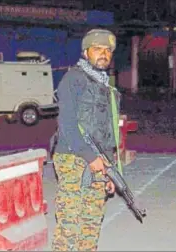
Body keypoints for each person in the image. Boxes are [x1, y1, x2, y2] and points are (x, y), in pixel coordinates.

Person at [50, 29, 121, 251]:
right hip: (72, 156)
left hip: (99, 160)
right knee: (70, 221)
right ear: (85, 52)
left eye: (108, 50)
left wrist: (111, 170)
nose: (104, 54)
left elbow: (106, 132)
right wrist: (90, 157)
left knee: (91, 220)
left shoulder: (107, 88)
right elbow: (68, 124)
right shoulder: (73, 79)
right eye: (98, 49)